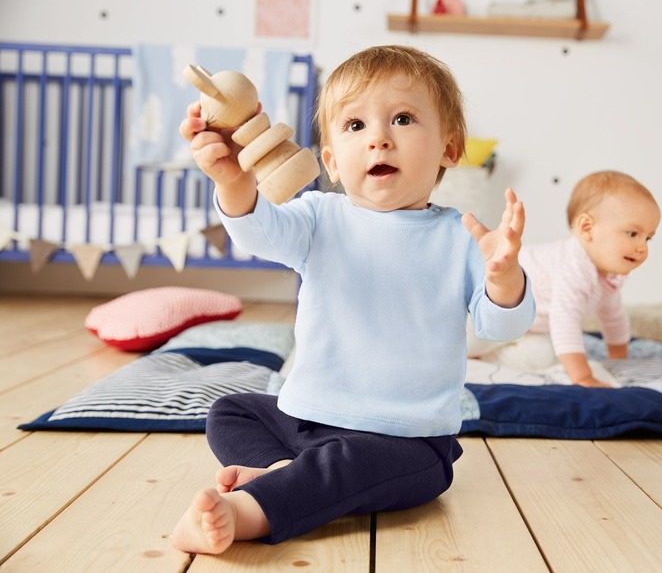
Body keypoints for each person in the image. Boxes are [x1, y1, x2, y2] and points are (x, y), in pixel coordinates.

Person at [172, 44, 535, 554]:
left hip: (404, 440)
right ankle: (283, 473)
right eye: (355, 126)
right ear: (331, 162)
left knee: (348, 467)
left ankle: (248, 510)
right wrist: (234, 180)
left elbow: (502, 327)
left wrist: (503, 276)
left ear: (450, 149)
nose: (379, 139)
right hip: (307, 418)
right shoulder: (320, 216)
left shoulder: (462, 238)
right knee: (233, 410)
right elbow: (258, 232)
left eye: (403, 119)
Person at [467, 170, 661, 387]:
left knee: (544, 355)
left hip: (523, 328)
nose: (642, 247)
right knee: (466, 338)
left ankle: (478, 361)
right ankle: (457, 352)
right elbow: (564, 321)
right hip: (485, 311)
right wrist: (582, 376)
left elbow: (614, 319)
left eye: (649, 238)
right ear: (587, 228)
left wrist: (620, 361)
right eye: (633, 234)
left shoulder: (608, 277)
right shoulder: (575, 268)